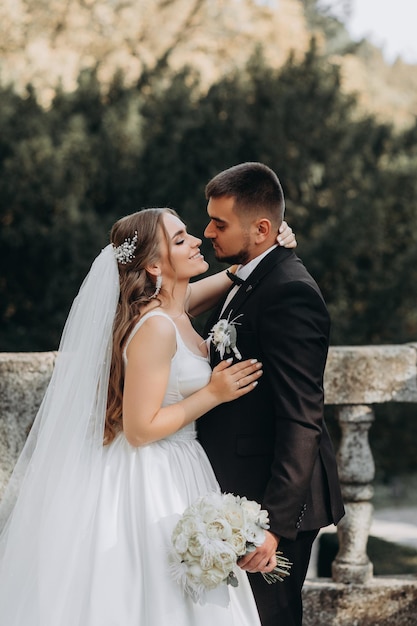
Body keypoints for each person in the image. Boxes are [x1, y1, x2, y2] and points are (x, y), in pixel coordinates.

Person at [0, 207, 295, 625]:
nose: (196, 241)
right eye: (179, 239)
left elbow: (225, 282)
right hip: (150, 472)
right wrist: (213, 393)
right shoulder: (156, 326)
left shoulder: (174, 308)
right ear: (155, 265)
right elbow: (139, 429)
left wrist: (264, 253)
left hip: (180, 464)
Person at [198, 162, 345, 626]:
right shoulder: (251, 276)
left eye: (219, 223)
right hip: (238, 496)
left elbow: (302, 417)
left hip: (270, 509)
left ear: (262, 229)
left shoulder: (290, 292)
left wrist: (273, 527)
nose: (207, 232)